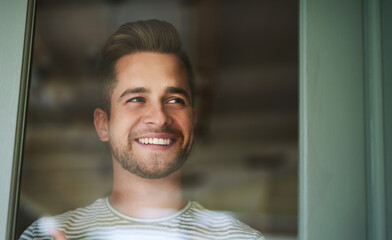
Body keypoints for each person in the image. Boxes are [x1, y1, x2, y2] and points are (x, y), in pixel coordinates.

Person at [20, 20, 264, 240]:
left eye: (175, 100)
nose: (159, 117)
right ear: (103, 124)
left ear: (194, 120)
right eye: (137, 99)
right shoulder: (46, 235)